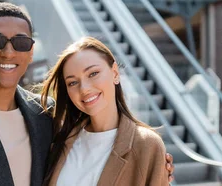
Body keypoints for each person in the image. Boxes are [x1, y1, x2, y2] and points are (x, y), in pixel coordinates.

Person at [0, 2, 174, 186]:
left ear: (30, 52)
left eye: (20, 43)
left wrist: (151, 159)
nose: (9, 52)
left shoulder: (46, 115)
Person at [40, 37, 169, 186]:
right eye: (73, 82)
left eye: (93, 74)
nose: (84, 89)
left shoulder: (146, 145)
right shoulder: (60, 141)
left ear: (115, 73)